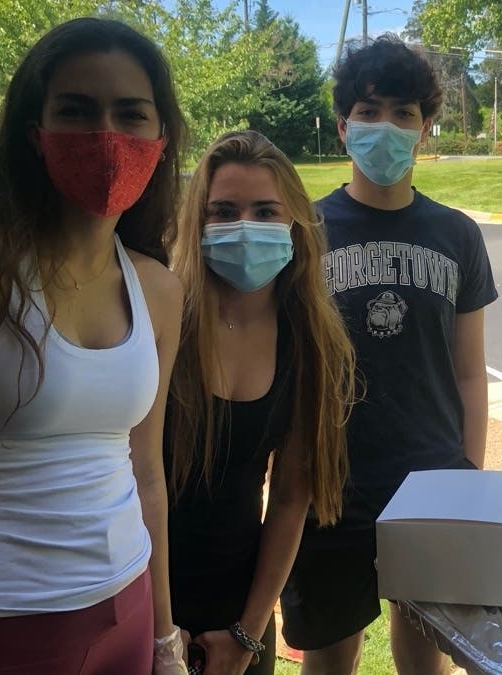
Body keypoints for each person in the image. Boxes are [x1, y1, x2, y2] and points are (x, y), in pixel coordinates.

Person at [0, 18, 189, 674]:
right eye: (77, 111)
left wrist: (164, 636)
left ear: (161, 142)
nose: (105, 136)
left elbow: (147, 472)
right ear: (36, 135)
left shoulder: (159, 289)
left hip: (128, 607)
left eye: (130, 115)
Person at [279, 36, 498, 675]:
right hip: (329, 483)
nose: (386, 127)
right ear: (344, 126)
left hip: (431, 478)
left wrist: (469, 474)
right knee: (329, 656)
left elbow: (468, 370)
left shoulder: (457, 234)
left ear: (424, 128)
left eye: (404, 113)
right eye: (369, 111)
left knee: (428, 657)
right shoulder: (305, 232)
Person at [165, 130, 356, 675]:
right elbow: (134, 484)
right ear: (196, 222)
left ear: (295, 222)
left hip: (240, 618)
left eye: (266, 211)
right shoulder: (164, 321)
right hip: (144, 601)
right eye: (223, 211)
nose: (244, 227)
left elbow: (292, 499)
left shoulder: (309, 341)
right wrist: (158, 630)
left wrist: (246, 634)